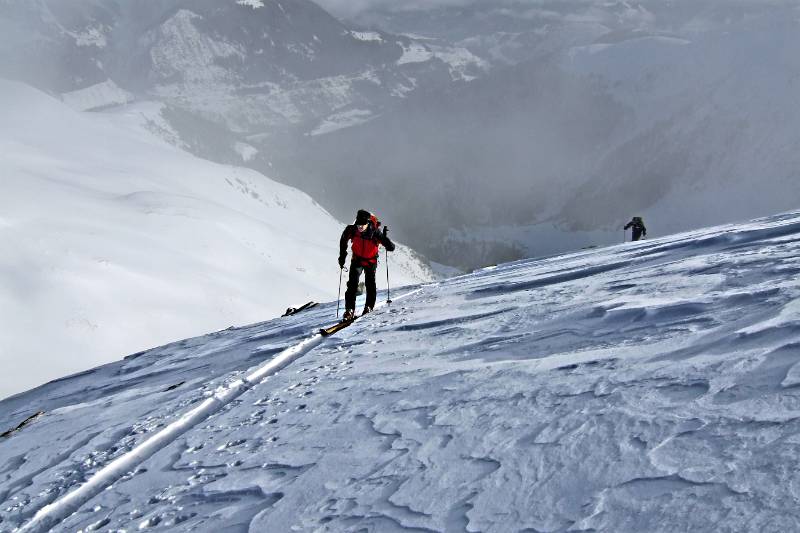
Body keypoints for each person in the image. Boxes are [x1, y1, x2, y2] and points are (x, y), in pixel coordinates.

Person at [339, 209, 395, 320]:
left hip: (370, 261)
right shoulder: (352, 230)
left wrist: (388, 244)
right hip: (357, 260)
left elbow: (391, 246)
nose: (360, 227)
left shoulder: (375, 232)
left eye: (362, 225)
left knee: (370, 283)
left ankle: (369, 306)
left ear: (367, 223)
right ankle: (349, 310)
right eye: (358, 224)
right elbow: (343, 240)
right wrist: (342, 256)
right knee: (352, 284)